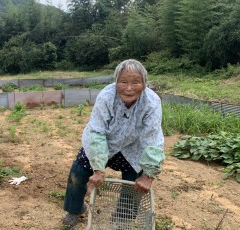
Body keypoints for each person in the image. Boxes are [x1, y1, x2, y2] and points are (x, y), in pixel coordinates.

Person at [62, 59, 165, 227]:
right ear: (116, 82)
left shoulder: (152, 102)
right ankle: (75, 209)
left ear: (144, 84)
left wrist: (148, 175)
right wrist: (98, 169)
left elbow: (152, 138)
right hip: (104, 143)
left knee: (135, 182)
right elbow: (97, 132)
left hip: (133, 146)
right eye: (123, 82)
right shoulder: (106, 96)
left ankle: (122, 219)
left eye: (136, 82)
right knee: (79, 170)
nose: (129, 88)